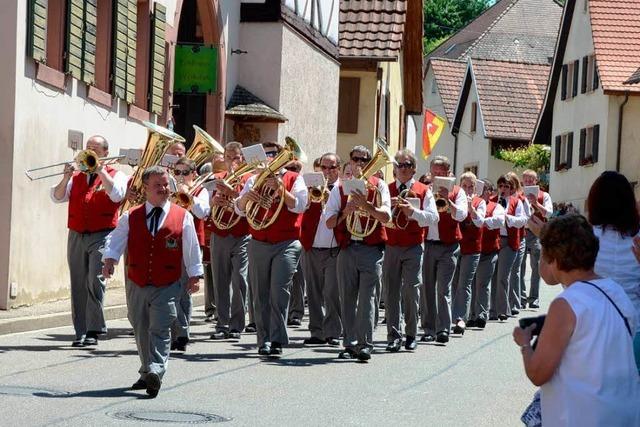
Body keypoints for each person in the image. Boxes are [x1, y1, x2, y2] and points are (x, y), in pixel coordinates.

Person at [513, 214, 640, 426]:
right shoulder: (616, 291)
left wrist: (525, 343)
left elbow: (538, 373)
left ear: (553, 258)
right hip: (623, 414)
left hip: (583, 416)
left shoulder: (566, 304)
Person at [102, 166, 203, 398]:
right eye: (158, 185)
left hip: (167, 282)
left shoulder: (182, 215)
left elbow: (191, 247)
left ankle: (156, 369)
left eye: (166, 184)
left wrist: (195, 275)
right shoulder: (131, 215)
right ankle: (147, 369)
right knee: (140, 326)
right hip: (137, 280)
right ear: (145, 188)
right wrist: (109, 260)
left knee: (160, 327)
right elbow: (116, 240)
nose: (164, 189)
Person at [51, 135, 128, 347]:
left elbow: (117, 195)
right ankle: (81, 331)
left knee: (95, 280)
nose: (90, 153)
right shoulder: (76, 176)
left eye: (95, 149)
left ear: (105, 153)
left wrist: (101, 170)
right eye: (88, 149)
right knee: (78, 282)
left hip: (103, 234)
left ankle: (94, 329)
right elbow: (57, 197)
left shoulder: (116, 174)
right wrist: (66, 177)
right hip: (76, 234)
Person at [235, 141, 307, 357]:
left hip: (286, 243)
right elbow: (239, 210)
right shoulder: (253, 179)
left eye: (272, 154)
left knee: (279, 291)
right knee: (260, 293)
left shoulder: (294, 178)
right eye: (265, 154)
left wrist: (281, 190)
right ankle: (263, 340)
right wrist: (248, 197)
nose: (268, 158)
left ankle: (276, 339)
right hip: (258, 241)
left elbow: (301, 205)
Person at [326, 145, 391, 361]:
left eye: (365, 159)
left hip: (371, 249)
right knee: (347, 298)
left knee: (367, 298)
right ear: (350, 161)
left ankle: (365, 344)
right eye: (356, 159)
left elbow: (386, 218)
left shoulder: (380, 186)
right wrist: (347, 211)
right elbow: (329, 222)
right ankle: (350, 343)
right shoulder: (339, 188)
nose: (360, 163)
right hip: (347, 248)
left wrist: (367, 207)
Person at [383, 149, 437, 352]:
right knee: (390, 292)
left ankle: (411, 334)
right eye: (399, 165)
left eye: (407, 165)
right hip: (391, 245)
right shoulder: (386, 189)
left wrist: (412, 212)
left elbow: (433, 218)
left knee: (411, 290)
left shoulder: (424, 190)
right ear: (394, 169)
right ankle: (393, 336)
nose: (403, 169)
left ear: (414, 169)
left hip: (414, 246)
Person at [586, 171, 640, 372]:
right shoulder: (637, 238)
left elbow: (559, 278)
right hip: (634, 329)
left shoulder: (587, 237)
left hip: (595, 330)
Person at [421, 155, 468, 344]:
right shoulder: (423, 190)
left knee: (443, 289)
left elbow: (462, 216)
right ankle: (428, 328)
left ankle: (443, 329)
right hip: (428, 244)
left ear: (449, 174)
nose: (437, 176)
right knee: (427, 289)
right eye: (435, 173)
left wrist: (449, 200)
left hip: (449, 246)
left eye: (441, 173)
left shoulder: (458, 192)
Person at [208, 142, 251, 340]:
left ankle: (237, 324)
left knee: (239, 280)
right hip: (220, 233)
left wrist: (232, 193)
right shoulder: (217, 178)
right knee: (220, 280)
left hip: (242, 234)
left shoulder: (249, 180)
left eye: (236, 158)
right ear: (223, 159)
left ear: (242, 159)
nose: (233, 161)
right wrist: (214, 201)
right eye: (229, 158)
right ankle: (222, 323)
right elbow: (206, 206)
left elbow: (248, 205)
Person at [300, 152, 343, 346]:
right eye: (324, 168)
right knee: (314, 292)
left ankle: (333, 331)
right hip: (311, 246)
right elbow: (300, 210)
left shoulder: (342, 189)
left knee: (332, 292)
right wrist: (310, 198)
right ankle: (317, 332)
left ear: (338, 169)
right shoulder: (311, 188)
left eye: (331, 168)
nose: (327, 172)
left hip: (334, 247)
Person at [169, 158, 210, 351]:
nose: (180, 177)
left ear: (194, 173)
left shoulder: (201, 190)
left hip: (192, 243)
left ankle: (182, 333)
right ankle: (177, 332)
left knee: (185, 289)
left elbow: (203, 213)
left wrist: (188, 196)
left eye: (185, 173)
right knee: (170, 288)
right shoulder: (169, 189)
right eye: (177, 173)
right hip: (170, 241)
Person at [451, 172, 486, 335]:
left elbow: (480, 222)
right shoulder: (456, 200)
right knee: (453, 283)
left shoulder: (480, 202)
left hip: (472, 248)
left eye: (471, 186)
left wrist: (471, 208)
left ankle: (460, 319)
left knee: (464, 284)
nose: (467, 189)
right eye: (464, 186)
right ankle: (450, 316)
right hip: (455, 246)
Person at [490, 174, 527, 321]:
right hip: (493, 240)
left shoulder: (516, 202)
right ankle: (492, 310)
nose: (503, 189)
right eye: (501, 186)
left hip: (509, 241)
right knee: (492, 275)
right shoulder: (492, 201)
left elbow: (522, 220)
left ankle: (503, 310)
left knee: (503, 276)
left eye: (506, 186)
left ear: (511, 189)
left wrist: (507, 217)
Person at [468, 180, 504, 329]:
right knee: (470, 284)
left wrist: (482, 220)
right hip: (471, 249)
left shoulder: (497, 206)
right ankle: (470, 315)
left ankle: (481, 315)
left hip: (488, 251)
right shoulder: (472, 203)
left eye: (485, 190)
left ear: (490, 192)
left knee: (482, 283)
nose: (482, 192)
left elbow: (499, 221)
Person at [520, 170, 553, 309]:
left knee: (536, 266)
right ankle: (521, 297)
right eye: (526, 180)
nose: (528, 182)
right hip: (521, 231)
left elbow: (549, 213)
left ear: (536, 181)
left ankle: (534, 298)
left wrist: (536, 204)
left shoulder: (544, 195)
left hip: (536, 232)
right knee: (519, 266)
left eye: (531, 180)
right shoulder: (519, 195)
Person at [506, 171, 530, 315]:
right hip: (503, 237)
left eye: (509, 185)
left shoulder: (521, 199)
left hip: (519, 237)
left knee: (515, 271)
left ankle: (514, 302)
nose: (507, 188)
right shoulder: (502, 198)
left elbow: (526, 218)